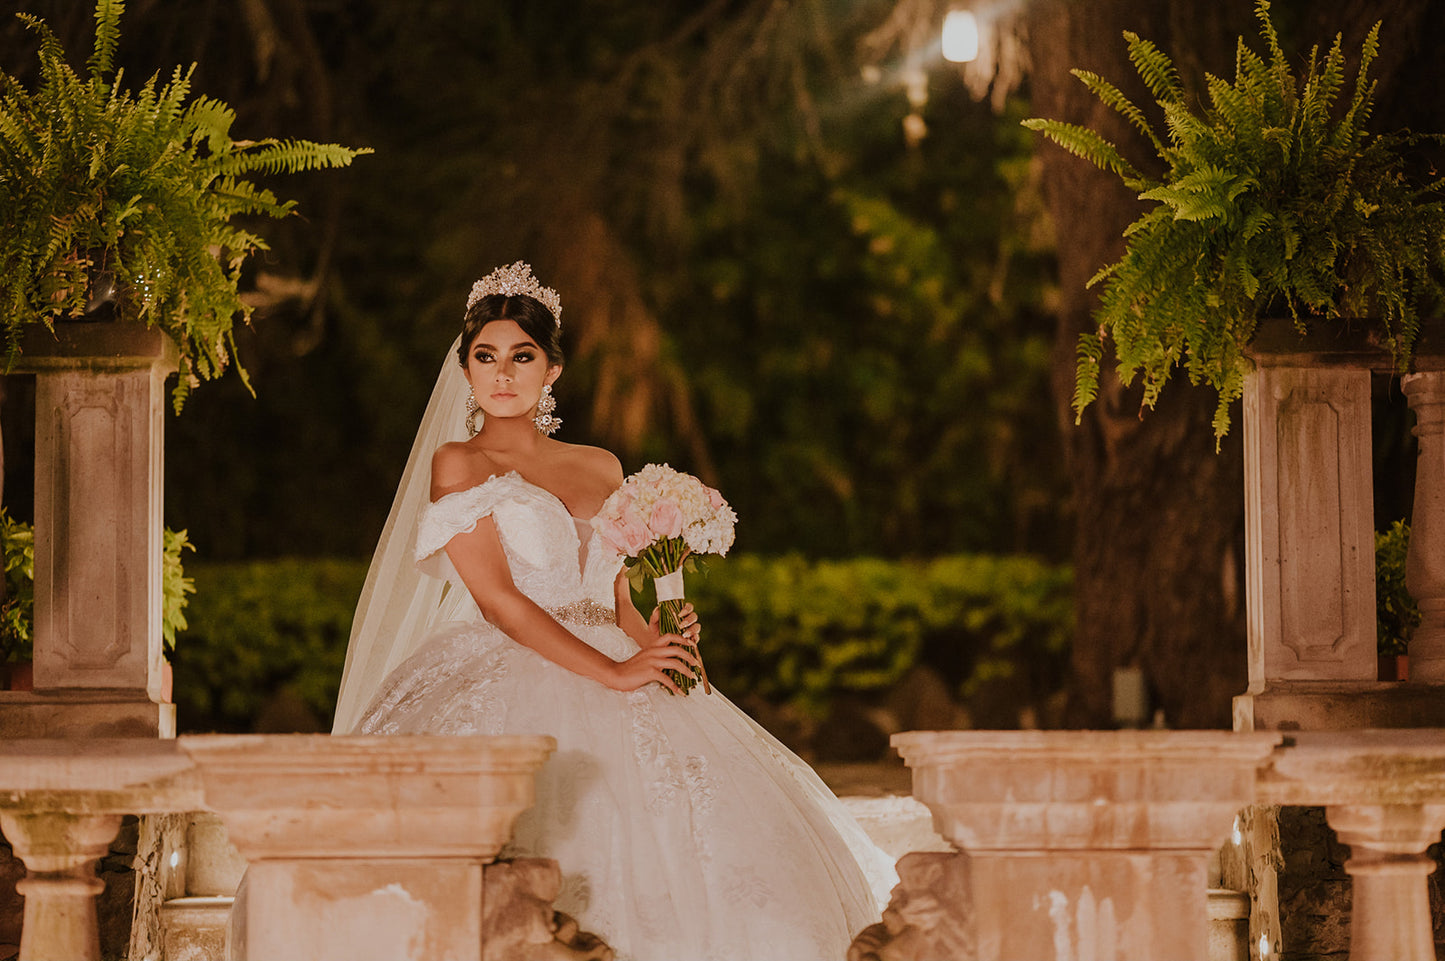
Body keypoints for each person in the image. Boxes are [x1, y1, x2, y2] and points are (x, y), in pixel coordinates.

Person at [332, 262, 895, 961]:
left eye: (521, 356)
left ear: (552, 370)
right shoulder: (459, 462)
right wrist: (613, 672)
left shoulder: (599, 465)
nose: (502, 374)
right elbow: (502, 603)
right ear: (466, 370)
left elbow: (617, 590)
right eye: (485, 357)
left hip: (616, 651)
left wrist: (660, 638)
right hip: (516, 659)